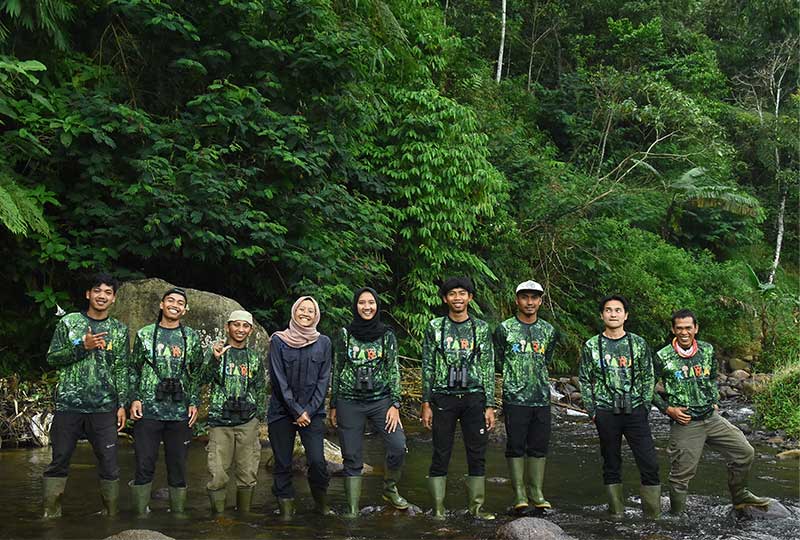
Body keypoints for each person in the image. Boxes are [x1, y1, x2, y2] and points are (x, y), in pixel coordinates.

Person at [652, 309, 770, 515]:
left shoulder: (707, 350)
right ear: (673, 330)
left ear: (695, 328)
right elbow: (645, 388)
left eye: (688, 328)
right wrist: (668, 409)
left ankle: (740, 495)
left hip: (711, 418)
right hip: (685, 422)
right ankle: (676, 517)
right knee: (681, 475)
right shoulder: (663, 356)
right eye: (679, 328)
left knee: (745, 452)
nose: (684, 332)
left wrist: (713, 398)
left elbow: (711, 377)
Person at [42, 273, 129, 518]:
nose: (102, 295)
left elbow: (122, 368)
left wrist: (121, 404)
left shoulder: (119, 330)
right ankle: (50, 516)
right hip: (68, 405)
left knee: (110, 465)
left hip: (104, 408)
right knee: (59, 461)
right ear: (88, 294)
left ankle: (110, 518)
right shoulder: (69, 322)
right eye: (97, 290)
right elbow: (52, 358)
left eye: (108, 292)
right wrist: (83, 346)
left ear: (114, 298)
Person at [578, 294, 660, 519]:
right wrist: (592, 410)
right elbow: (584, 379)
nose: (613, 314)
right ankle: (617, 513)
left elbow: (648, 376)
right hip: (605, 411)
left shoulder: (638, 343)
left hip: (635, 410)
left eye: (617, 310)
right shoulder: (592, 345)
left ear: (626, 315)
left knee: (649, 462)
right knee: (611, 461)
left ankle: (653, 516)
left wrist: (643, 405)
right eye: (608, 310)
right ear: (602, 314)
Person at [420, 277, 496, 520]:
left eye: (462, 293)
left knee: (477, 452)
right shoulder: (435, 327)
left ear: (470, 298)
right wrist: (426, 403)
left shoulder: (481, 328)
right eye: (452, 294)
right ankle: (439, 508)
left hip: (474, 398)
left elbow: (488, 366)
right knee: (441, 451)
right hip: (443, 398)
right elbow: (428, 365)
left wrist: (490, 404)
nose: (458, 298)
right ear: (445, 298)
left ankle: (476, 508)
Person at [329, 287, 409, 518]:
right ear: (355, 306)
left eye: (371, 302)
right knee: (352, 456)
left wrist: (395, 404)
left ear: (377, 306)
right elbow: (338, 367)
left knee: (397, 445)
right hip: (348, 401)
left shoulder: (387, 334)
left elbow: (393, 370)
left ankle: (389, 489)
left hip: (380, 401)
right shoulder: (345, 333)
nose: (367, 307)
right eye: (362, 303)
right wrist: (333, 404)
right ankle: (353, 510)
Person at [129, 287, 202, 516]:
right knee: (144, 464)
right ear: (161, 304)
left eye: (180, 302)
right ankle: (141, 514)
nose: (175, 305)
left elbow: (196, 372)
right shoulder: (144, 333)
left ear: (185, 309)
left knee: (178, 466)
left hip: (180, 412)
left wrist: (194, 402)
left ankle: (177, 516)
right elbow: (134, 369)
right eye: (171, 300)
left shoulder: (190, 336)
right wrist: (135, 398)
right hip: (148, 410)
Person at [493, 280, 559, 513]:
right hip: (514, 398)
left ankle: (536, 492)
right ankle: (519, 493)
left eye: (534, 297)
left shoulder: (549, 331)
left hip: (541, 397)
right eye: (525, 297)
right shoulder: (504, 328)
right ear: (517, 300)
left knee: (539, 445)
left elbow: (546, 358)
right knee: (516, 445)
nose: (529, 302)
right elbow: (499, 358)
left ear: (540, 301)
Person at [267, 296, 332, 520]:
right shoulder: (278, 340)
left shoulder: (324, 342)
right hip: (281, 412)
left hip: (312, 413)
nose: (305, 313)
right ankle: (286, 511)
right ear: (294, 311)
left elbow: (324, 380)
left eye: (310, 311)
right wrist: (296, 411)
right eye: (301, 309)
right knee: (282, 462)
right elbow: (278, 379)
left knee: (317, 461)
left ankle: (321, 505)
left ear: (317, 316)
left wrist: (309, 411)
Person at [198, 310, 267, 515]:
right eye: (236, 325)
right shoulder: (217, 353)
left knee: (247, 472)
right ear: (228, 327)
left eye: (245, 326)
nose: (240, 330)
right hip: (220, 421)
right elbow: (202, 379)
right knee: (218, 473)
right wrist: (214, 359)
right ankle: (219, 519)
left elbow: (260, 389)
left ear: (251, 330)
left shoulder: (254, 358)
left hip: (247, 421)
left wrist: (258, 418)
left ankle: (243, 519)